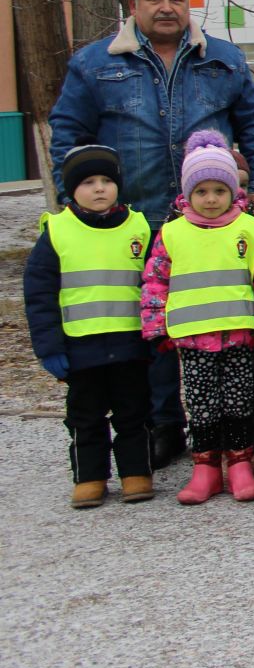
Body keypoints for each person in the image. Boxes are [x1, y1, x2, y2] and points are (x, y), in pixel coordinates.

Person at [49, 0, 254, 471]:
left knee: (229, 320)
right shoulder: (94, 64)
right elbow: (68, 133)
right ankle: (164, 426)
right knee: (152, 324)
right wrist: (77, 195)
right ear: (134, 5)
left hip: (216, 219)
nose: (167, 8)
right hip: (135, 217)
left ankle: (240, 432)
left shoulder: (223, 59)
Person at [139, 132, 254, 505]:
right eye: (201, 191)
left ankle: (239, 464)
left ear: (231, 191)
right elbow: (155, 282)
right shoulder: (171, 233)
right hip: (191, 339)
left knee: (239, 403)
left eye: (219, 191)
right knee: (202, 405)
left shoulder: (250, 229)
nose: (210, 199)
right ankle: (205, 468)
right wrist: (156, 329)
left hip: (238, 335)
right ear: (188, 194)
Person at [25, 146, 154, 508]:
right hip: (80, 347)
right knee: (85, 417)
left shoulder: (139, 227)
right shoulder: (58, 232)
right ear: (70, 189)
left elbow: (156, 286)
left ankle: (136, 474)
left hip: (130, 345)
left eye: (107, 181)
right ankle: (90, 477)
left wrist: (155, 335)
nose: (99, 189)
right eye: (88, 182)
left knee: (134, 413)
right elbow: (39, 296)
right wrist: (49, 348)